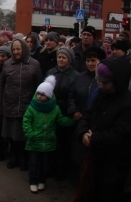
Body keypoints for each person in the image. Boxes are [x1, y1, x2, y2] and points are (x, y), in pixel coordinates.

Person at [75, 56, 131, 202]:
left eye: (105, 82)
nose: (101, 85)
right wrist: (83, 133)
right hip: (93, 158)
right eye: (99, 81)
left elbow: (121, 134)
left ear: (117, 80)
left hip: (114, 165)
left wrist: (94, 138)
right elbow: (87, 114)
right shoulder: (101, 95)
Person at [0, 39, 43, 171]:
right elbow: (0, 86)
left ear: (24, 49)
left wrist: (37, 105)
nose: (16, 52)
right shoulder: (7, 64)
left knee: (24, 135)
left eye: (18, 49)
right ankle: (14, 158)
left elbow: (39, 85)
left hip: (27, 106)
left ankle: (24, 159)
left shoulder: (34, 64)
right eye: (14, 49)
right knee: (11, 135)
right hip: (9, 105)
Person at [23, 76, 75, 194]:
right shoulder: (32, 108)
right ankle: (33, 181)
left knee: (44, 164)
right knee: (33, 163)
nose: (39, 96)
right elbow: (26, 121)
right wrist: (31, 134)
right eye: (38, 94)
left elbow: (61, 120)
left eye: (43, 94)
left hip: (48, 142)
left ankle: (42, 180)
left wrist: (72, 121)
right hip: (34, 142)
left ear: (49, 96)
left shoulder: (54, 109)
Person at [46, 46, 80, 179]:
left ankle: (63, 170)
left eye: (63, 57)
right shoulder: (50, 72)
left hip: (66, 112)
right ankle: (51, 167)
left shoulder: (75, 76)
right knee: (51, 141)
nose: (60, 59)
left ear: (69, 60)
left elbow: (74, 95)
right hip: (51, 111)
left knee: (64, 143)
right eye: (59, 57)